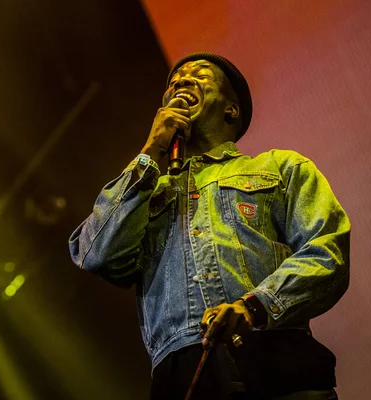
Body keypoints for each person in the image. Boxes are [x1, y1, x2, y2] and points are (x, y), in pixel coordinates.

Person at [69, 52, 350, 399]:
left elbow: (327, 251)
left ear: (231, 109)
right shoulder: (145, 191)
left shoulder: (281, 167)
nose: (181, 82)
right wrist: (151, 151)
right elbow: (97, 255)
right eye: (174, 82)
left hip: (274, 355)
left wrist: (255, 305)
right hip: (186, 372)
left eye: (199, 76)